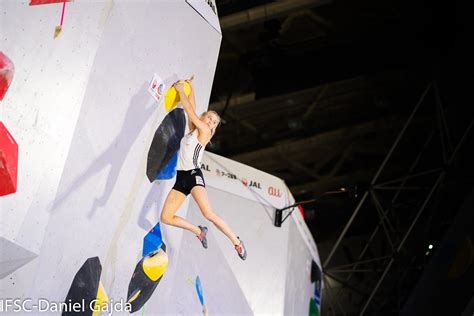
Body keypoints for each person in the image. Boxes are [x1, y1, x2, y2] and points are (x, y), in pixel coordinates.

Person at [160, 78, 247, 260]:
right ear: (203, 116)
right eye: (209, 117)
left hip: (193, 175)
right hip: (181, 178)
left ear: (213, 129)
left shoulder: (205, 132)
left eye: (214, 122)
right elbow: (192, 109)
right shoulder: (194, 129)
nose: (211, 122)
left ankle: (237, 242)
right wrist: (190, 88)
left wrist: (180, 90)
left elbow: (191, 112)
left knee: (208, 213)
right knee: (166, 217)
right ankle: (198, 231)